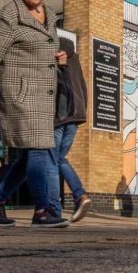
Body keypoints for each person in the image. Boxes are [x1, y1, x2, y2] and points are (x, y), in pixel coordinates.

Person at [0, 0, 71, 229]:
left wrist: (60, 58)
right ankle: (43, 209)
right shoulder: (9, 16)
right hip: (19, 94)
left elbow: (44, 48)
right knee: (39, 150)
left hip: (43, 95)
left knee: (29, 155)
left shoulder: (50, 16)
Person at [54, 37, 93, 222]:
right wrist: (81, 112)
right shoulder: (74, 58)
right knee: (57, 159)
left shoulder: (57, 55)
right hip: (75, 116)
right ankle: (78, 197)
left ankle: (75, 197)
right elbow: (84, 88)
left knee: (53, 160)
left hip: (60, 117)